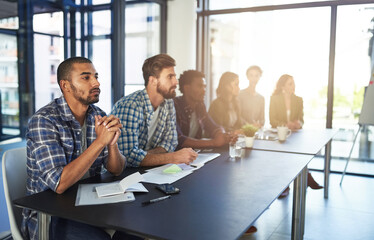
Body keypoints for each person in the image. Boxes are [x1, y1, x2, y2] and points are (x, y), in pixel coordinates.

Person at [23, 57, 131, 240]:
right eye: (86, 77)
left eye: (96, 76)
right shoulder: (44, 121)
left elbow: (116, 169)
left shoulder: (98, 115)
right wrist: (99, 142)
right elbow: (59, 184)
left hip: (91, 206)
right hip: (51, 216)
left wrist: (111, 144)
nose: (96, 82)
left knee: (135, 230)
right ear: (65, 85)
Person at [111, 54, 197, 167]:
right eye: (170, 77)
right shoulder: (130, 106)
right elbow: (128, 157)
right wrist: (173, 157)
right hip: (120, 178)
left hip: (149, 171)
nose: (176, 82)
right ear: (153, 80)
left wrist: (145, 156)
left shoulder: (168, 102)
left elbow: (171, 142)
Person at [269, 74, 323, 198]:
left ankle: (294, 183)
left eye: (293, 83)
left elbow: (301, 119)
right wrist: (286, 124)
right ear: (283, 86)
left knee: (298, 154)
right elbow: (273, 121)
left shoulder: (298, 100)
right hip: (281, 134)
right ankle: (305, 179)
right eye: (290, 83)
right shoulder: (275, 99)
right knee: (285, 156)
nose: (293, 86)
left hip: (295, 134)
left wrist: (298, 124)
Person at [173, 70, 233, 150]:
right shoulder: (174, 106)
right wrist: (214, 142)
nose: (204, 90)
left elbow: (212, 126)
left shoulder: (200, 106)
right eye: (200, 86)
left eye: (204, 86)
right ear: (186, 88)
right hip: (177, 157)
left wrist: (222, 135)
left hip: (193, 154)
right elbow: (179, 140)